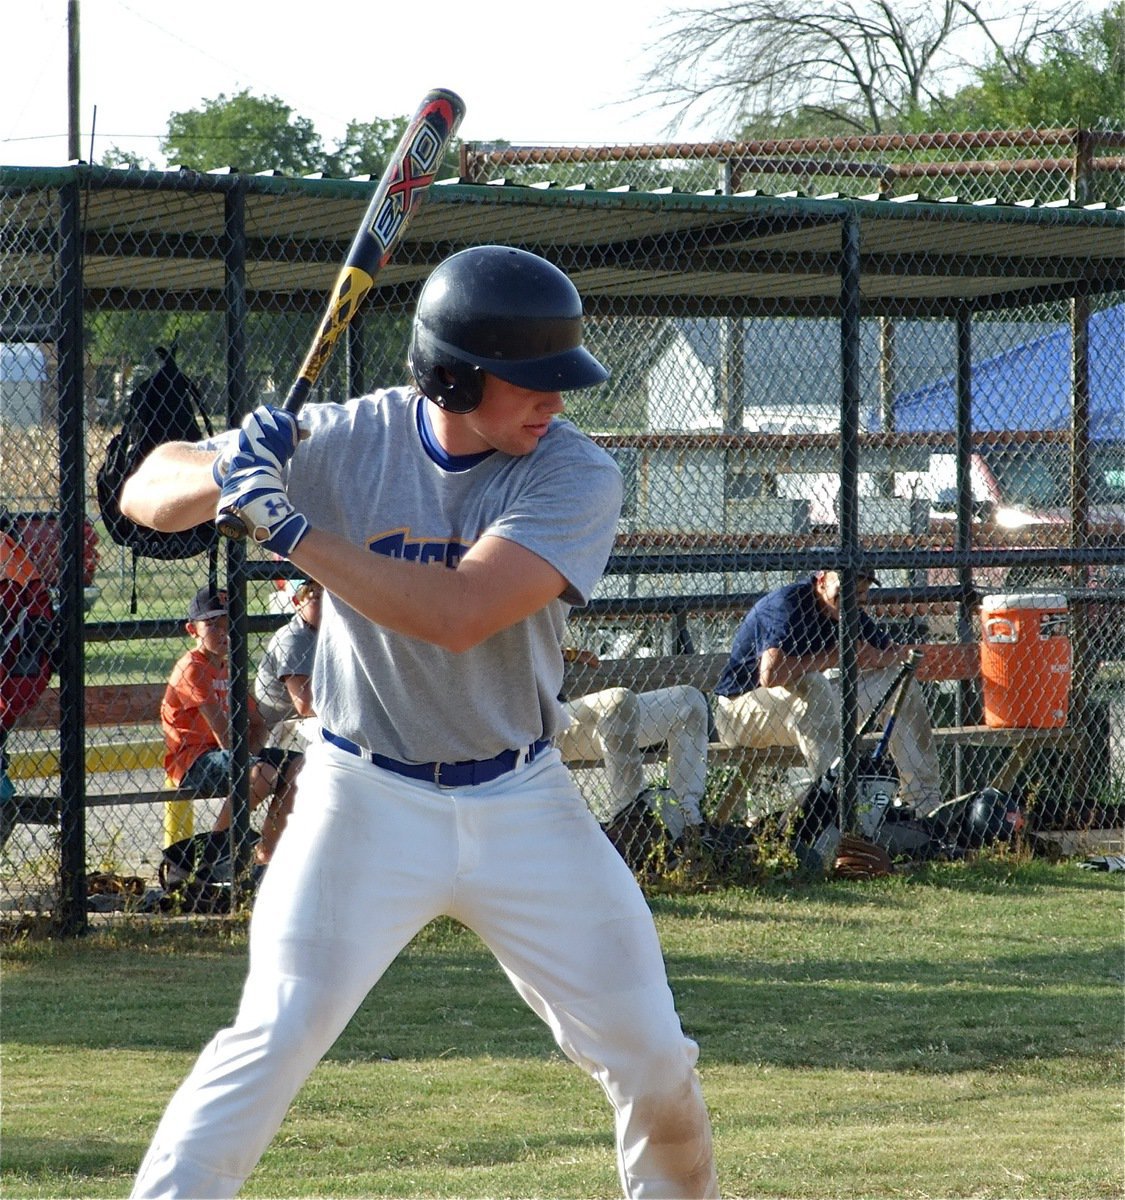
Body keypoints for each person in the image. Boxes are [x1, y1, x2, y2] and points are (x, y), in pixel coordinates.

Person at [121, 245, 718, 1200]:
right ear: (452, 376)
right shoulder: (349, 437)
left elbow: (456, 614)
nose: (553, 403)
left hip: (524, 798)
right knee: (272, 1033)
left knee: (653, 1060)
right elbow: (141, 491)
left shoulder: (575, 474)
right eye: (530, 383)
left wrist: (289, 530)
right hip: (361, 797)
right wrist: (225, 466)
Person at [713, 568, 942, 816]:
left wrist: (876, 657)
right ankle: (840, 806)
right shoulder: (788, 604)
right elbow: (770, 675)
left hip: (807, 710)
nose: (853, 602)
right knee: (814, 683)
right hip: (740, 711)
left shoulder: (848, 610)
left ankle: (924, 806)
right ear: (821, 582)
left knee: (898, 682)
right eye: (845, 593)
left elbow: (897, 654)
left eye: (861, 594)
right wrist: (836, 656)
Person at [161, 585, 298, 865]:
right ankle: (215, 849)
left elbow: (258, 723)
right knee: (264, 773)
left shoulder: (229, 666)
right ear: (192, 629)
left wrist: (253, 752)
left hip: (230, 755)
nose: (223, 631)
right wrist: (252, 756)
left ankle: (265, 854)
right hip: (193, 761)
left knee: (301, 768)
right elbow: (225, 735)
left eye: (228, 623)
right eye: (212, 624)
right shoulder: (193, 667)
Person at [557, 649, 710, 838]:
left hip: (596, 724)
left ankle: (687, 819)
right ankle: (631, 816)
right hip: (546, 727)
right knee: (617, 700)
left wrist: (566, 653)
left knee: (689, 700)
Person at [253, 576, 322, 751]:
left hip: (307, 723)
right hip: (284, 730)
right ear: (296, 602)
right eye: (317, 598)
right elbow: (305, 705)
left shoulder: (324, 634)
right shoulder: (294, 639)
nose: (326, 606)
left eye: (331, 597)